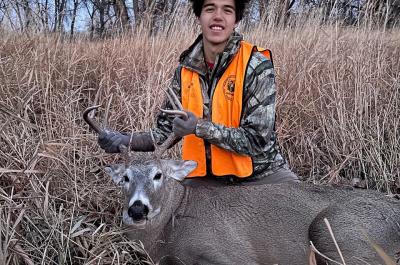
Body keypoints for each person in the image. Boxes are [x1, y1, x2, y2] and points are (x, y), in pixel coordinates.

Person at [98, 0, 300, 185]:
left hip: (261, 176)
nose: (218, 16)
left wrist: (198, 127)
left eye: (227, 10)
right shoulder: (185, 70)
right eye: (210, 8)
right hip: (208, 178)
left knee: (302, 208)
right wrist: (124, 141)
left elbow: (257, 139)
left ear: (236, 20)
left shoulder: (256, 65)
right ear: (199, 16)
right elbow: (165, 132)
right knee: (173, 215)